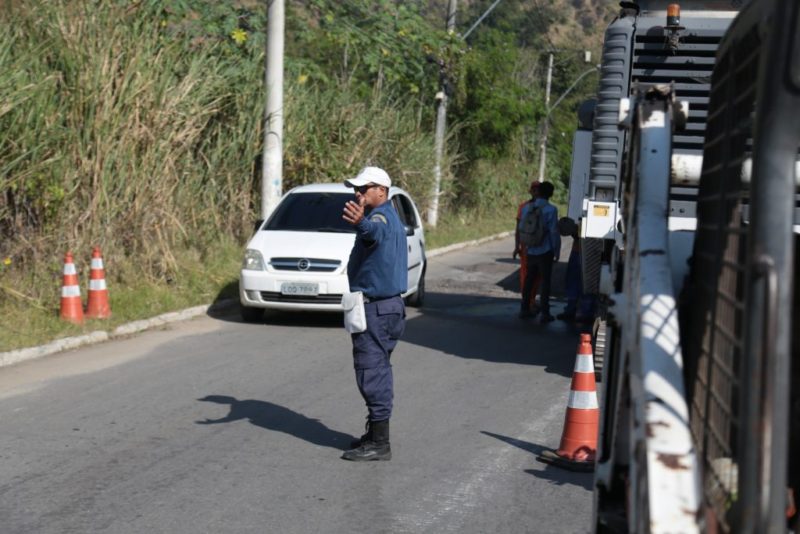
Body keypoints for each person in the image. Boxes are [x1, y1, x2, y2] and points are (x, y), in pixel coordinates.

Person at [340, 166, 408, 462]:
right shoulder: (388, 215)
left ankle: (380, 443)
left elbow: (373, 233)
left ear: (382, 190)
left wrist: (361, 224)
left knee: (372, 372)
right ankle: (375, 435)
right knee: (377, 369)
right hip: (386, 308)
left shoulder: (379, 218)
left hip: (377, 310)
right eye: (357, 188)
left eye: (364, 188)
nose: (358, 193)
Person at [518, 181, 560, 323]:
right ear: (551, 194)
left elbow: (522, 228)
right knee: (545, 282)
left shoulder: (527, 208)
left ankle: (524, 309)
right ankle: (545, 313)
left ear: (539, 192)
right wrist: (556, 250)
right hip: (545, 251)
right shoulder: (551, 210)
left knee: (529, 280)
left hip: (530, 250)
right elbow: (554, 232)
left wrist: (524, 245)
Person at [514, 180, 541, 309]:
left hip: (533, 246)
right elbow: (518, 229)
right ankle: (528, 301)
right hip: (528, 247)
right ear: (531, 191)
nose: (535, 192)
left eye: (537, 190)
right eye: (534, 190)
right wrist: (517, 246)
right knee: (527, 274)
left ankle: (531, 299)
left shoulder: (525, 207)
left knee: (535, 275)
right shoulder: (524, 207)